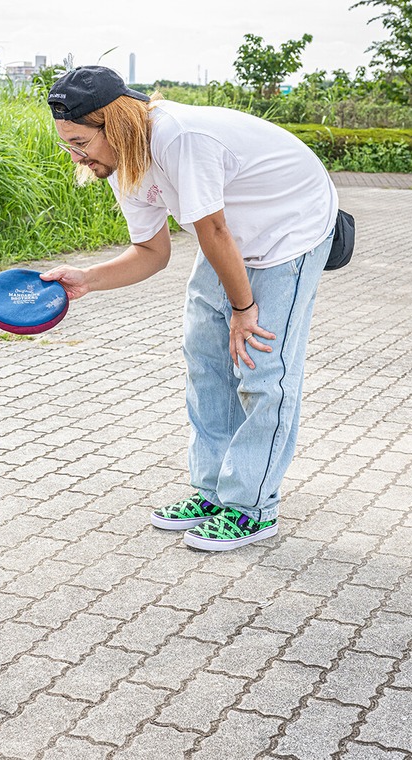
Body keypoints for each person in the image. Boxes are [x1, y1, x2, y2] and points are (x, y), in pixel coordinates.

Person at [42, 66, 338, 552]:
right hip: (230, 236)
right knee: (205, 360)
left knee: (263, 370)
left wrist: (244, 308)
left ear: (112, 125)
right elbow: (152, 254)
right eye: (66, 144)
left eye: (79, 141)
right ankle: (213, 492)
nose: (76, 156)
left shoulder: (180, 138)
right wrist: (87, 280)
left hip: (291, 231)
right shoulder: (124, 160)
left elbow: (215, 233)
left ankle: (251, 508)